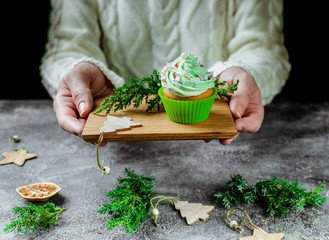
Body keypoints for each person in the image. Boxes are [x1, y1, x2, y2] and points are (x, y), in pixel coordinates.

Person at [40, 0, 291, 145]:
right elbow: (66, 47)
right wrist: (73, 70)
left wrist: (243, 74)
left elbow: (264, 48)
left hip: (221, 139)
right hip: (117, 136)